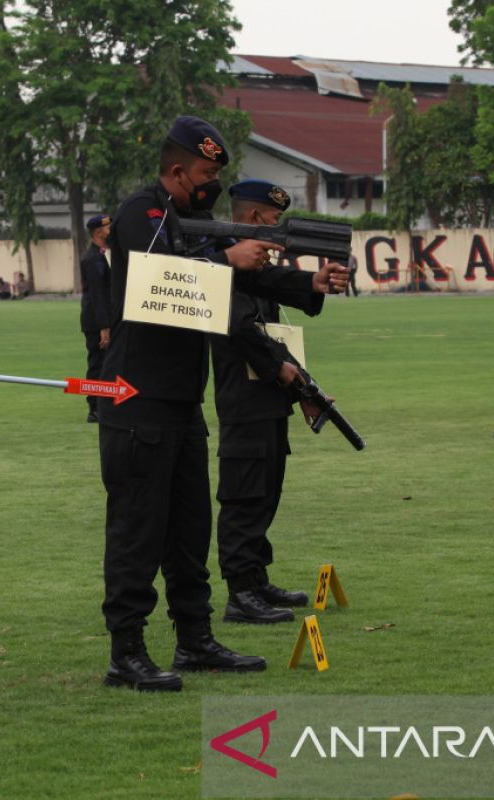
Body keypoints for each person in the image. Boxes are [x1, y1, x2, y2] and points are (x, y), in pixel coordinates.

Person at [97, 117, 348, 692]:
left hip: (182, 404)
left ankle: (195, 640)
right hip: (137, 402)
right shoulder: (143, 213)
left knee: (189, 534)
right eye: (207, 173)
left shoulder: (194, 223)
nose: (212, 184)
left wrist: (307, 285)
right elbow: (156, 285)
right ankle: (126, 652)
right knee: (137, 533)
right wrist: (225, 261)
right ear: (178, 169)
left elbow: (237, 292)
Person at [212, 180, 327, 626]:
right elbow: (238, 326)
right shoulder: (222, 261)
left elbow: (274, 315)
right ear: (257, 217)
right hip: (243, 394)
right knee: (244, 495)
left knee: (266, 490)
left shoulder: (254, 264)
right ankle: (240, 591)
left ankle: (256, 578)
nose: (277, 229)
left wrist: (297, 384)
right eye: (274, 219)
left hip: (267, 393)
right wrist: (282, 370)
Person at [79, 213, 112, 423]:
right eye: (109, 227)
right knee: (97, 364)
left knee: (107, 364)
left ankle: (105, 404)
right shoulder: (93, 258)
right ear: (98, 232)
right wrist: (104, 326)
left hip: (106, 318)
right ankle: (95, 408)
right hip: (97, 321)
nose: (112, 230)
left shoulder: (106, 254)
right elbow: (98, 293)